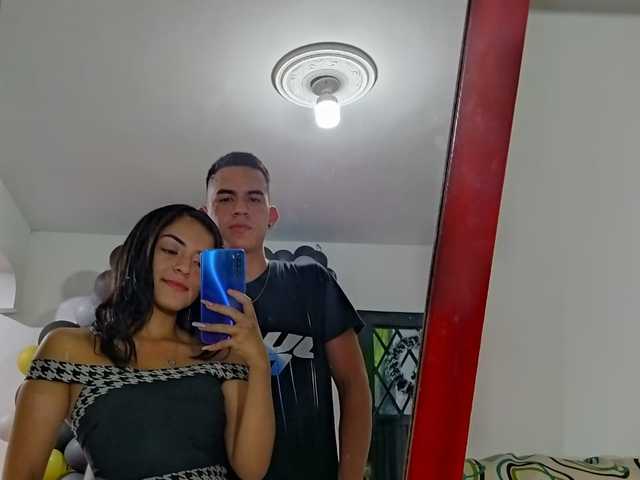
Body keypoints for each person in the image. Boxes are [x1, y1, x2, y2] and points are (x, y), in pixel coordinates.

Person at [3, 204, 275, 480]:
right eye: (171, 250)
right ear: (140, 251)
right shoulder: (67, 348)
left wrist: (259, 363)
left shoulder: (219, 354)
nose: (184, 267)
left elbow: (251, 470)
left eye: (199, 263)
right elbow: (21, 473)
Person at [205, 152, 372, 480]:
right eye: (225, 198)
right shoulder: (187, 297)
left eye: (254, 198)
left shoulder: (312, 282)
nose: (240, 208)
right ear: (205, 214)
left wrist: (350, 476)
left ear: (271, 215)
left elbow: (353, 385)